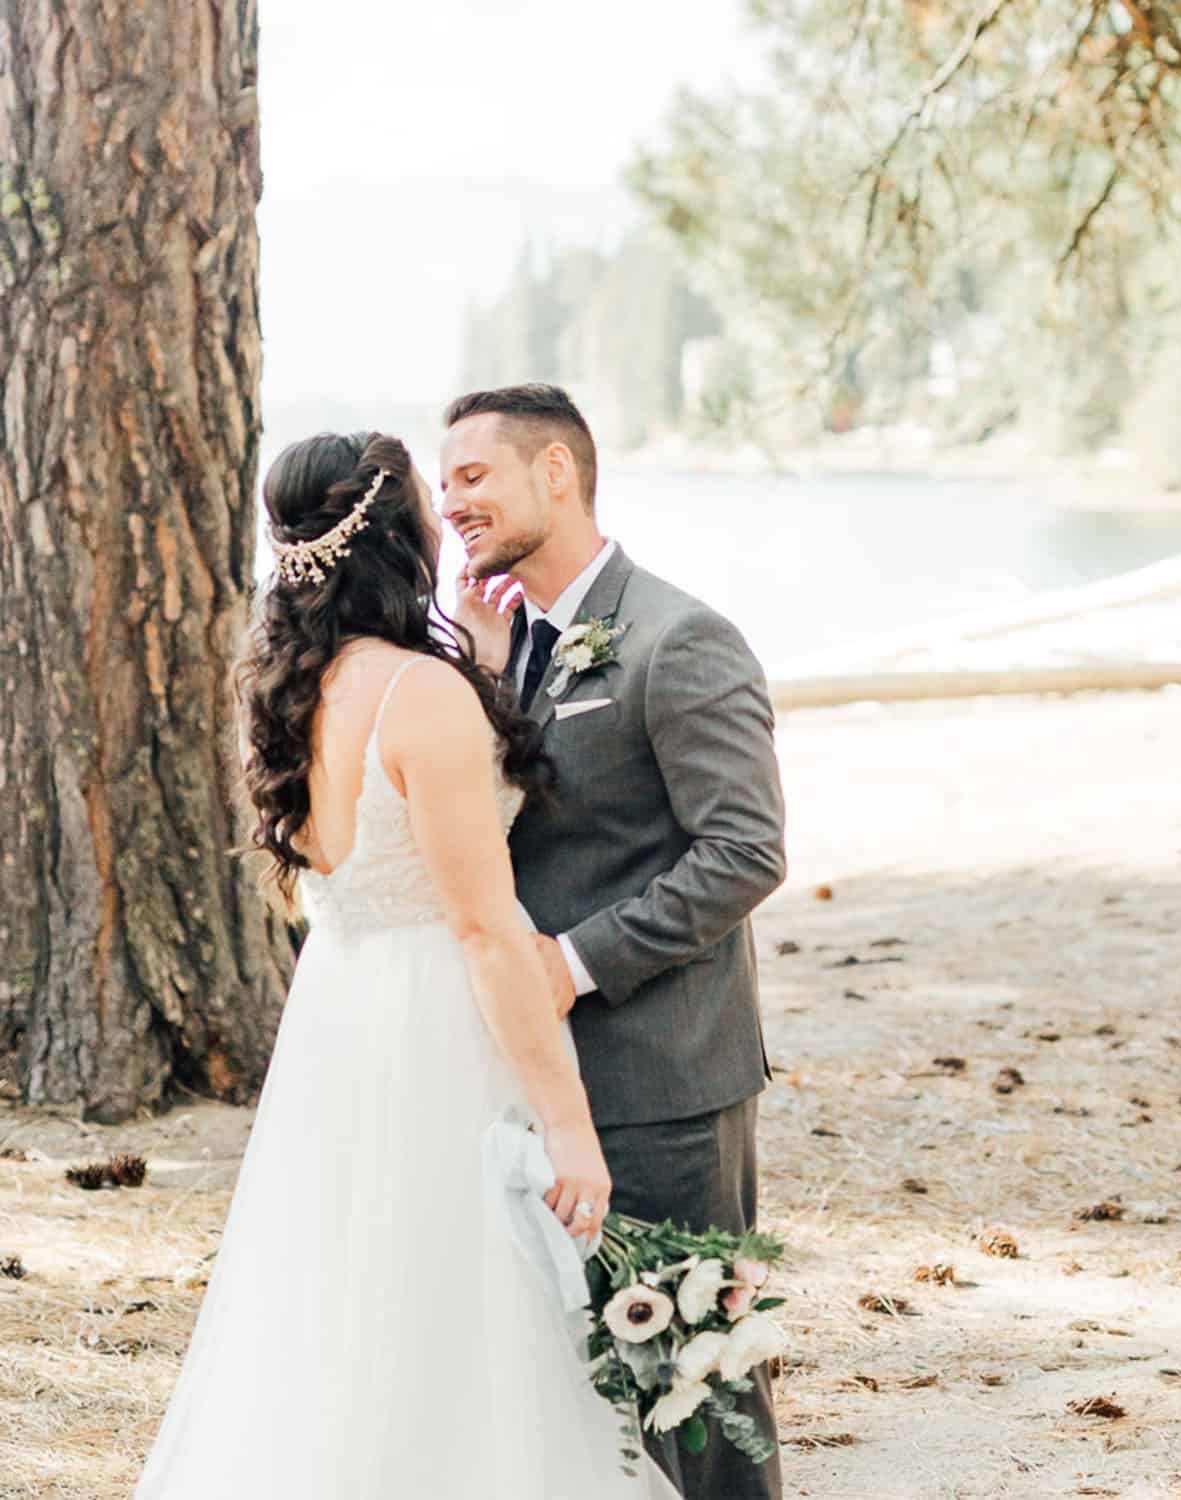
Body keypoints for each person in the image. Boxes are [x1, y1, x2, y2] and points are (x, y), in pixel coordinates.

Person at [134, 431, 674, 1498]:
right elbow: (483, 927)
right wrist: (571, 1129)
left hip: (343, 1015)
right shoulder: (422, 696)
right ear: (400, 540)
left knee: (347, 1307)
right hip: (434, 1023)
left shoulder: (299, 688)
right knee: (458, 1314)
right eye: (431, 507)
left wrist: (472, 656)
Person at [440, 384, 787, 1500]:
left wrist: (570, 963)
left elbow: (744, 853)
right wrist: (490, 672)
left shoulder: (678, 639)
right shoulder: (513, 644)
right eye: (443, 484)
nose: (452, 502)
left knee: (700, 1396)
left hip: (665, 1084)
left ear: (557, 471)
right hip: (546, 1088)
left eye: (473, 476)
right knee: (581, 1396)